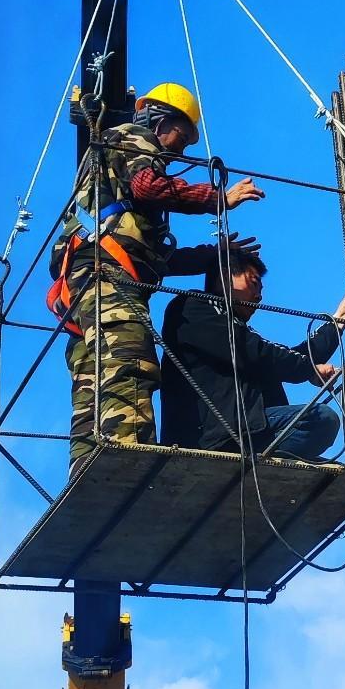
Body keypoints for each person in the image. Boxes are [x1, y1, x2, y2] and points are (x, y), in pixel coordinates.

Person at [48, 81, 264, 464]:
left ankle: (87, 468)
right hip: (108, 279)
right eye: (182, 136)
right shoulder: (134, 137)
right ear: (160, 120)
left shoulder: (115, 182)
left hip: (89, 283)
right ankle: (130, 464)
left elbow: (158, 260)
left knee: (93, 381)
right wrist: (218, 198)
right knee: (130, 362)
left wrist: (215, 255)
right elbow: (148, 188)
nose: (182, 150)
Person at [159, 247, 345, 461]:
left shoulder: (235, 329)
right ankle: (265, 461)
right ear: (225, 277)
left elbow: (280, 357)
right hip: (214, 436)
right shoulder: (195, 306)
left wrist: (336, 324)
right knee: (319, 419)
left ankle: (266, 460)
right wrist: (309, 370)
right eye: (253, 283)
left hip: (246, 433)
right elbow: (259, 353)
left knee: (329, 465)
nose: (259, 296)